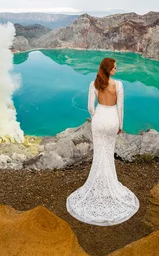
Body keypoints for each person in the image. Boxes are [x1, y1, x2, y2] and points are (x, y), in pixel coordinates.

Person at [66, 57, 140, 226]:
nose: (116, 69)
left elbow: (90, 107)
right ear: (108, 69)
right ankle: (108, 185)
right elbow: (120, 107)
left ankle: (98, 186)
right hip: (112, 120)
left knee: (99, 154)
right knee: (108, 153)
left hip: (99, 120)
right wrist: (120, 124)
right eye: (114, 67)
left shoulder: (94, 84)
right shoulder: (119, 85)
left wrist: (96, 117)